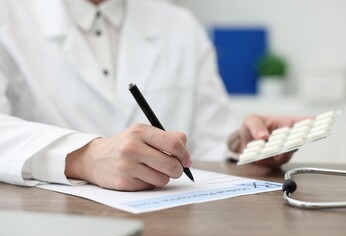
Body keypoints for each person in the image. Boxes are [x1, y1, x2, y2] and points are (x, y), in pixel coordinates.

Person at [0, 0, 304, 191]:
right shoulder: (8, 17)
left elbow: (207, 141)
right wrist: (83, 157)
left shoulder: (180, 24)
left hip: (168, 223)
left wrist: (243, 146)